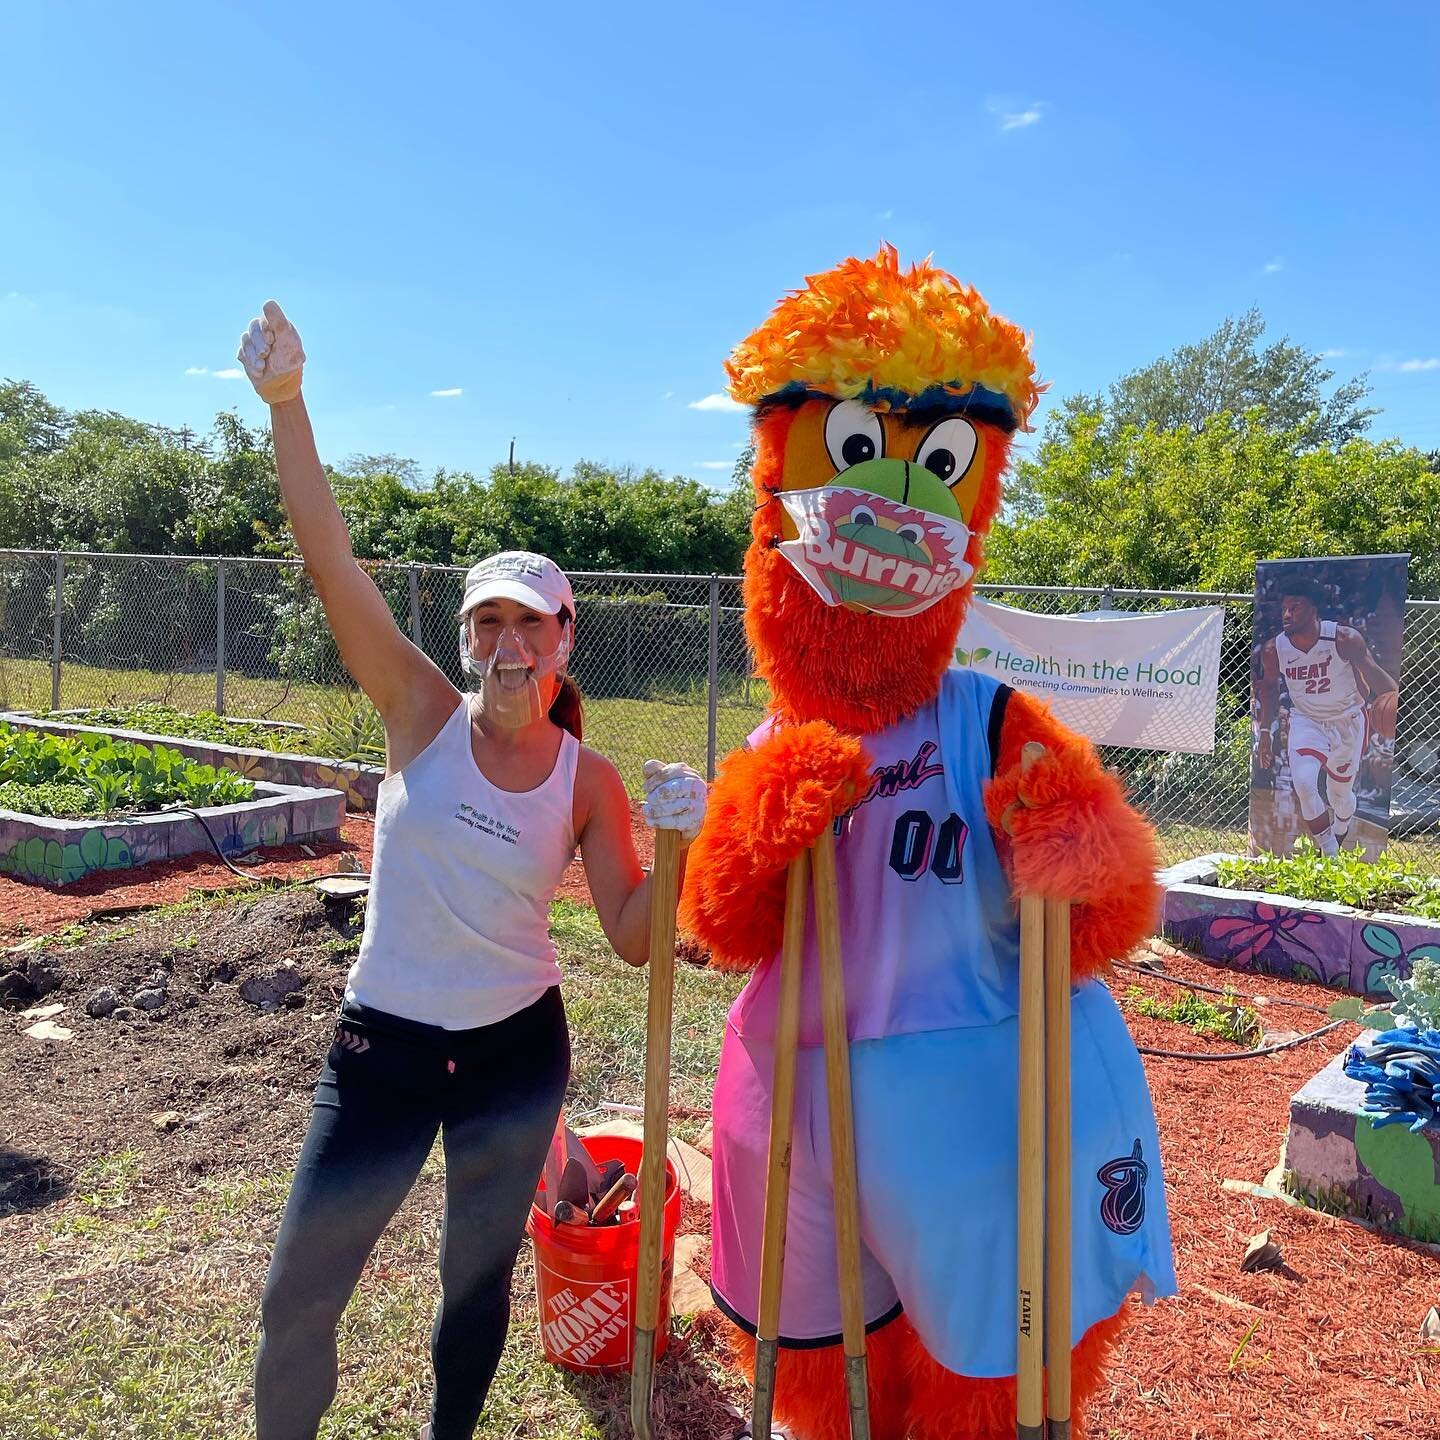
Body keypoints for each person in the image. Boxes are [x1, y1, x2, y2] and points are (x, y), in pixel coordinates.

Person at [235, 301, 708, 1440]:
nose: (506, 642)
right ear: (465, 640)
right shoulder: (419, 713)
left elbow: (639, 938)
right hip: (381, 1048)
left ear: (561, 642)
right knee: (298, 1296)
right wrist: (289, 406)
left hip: (511, 1055)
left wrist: (683, 840)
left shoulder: (588, 782)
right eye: (486, 622)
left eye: (527, 624)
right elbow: (329, 559)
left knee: (472, 1292)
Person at [1256, 578, 1398, 855]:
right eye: (1284, 608)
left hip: (1346, 721)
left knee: (1340, 797)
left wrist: (1393, 701)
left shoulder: (1344, 639)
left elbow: (1377, 680)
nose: (1287, 614)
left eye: (1295, 607)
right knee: (1306, 785)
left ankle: (1342, 825)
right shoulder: (1275, 649)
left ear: (1313, 610)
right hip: (1306, 720)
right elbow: (1269, 690)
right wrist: (1264, 733)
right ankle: (1329, 855)